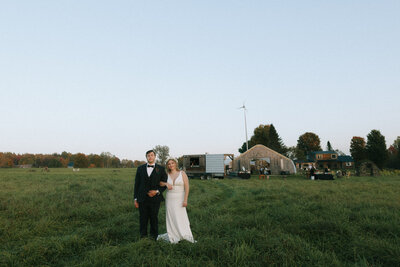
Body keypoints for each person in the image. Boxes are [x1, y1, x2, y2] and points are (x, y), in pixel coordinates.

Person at [157, 158, 195, 243]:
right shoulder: (167, 174)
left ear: (175, 164)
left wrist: (185, 200)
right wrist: (166, 184)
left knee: (181, 216)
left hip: (180, 198)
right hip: (170, 198)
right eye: (169, 164)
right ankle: (173, 234)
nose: (171, 165)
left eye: (172, 163)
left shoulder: (182, 173)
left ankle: (183, 234)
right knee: (171, 216)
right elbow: (160, 183)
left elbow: (187, 187)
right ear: (167, 166)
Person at [134, 150, 168, 240]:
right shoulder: (140, 168)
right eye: (148, 155)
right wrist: (135, 199)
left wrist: (157, 191)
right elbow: (136, 184)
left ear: (155, 156)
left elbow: (165, 184)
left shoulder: (160, 169)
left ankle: (154, 237)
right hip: (142, 198)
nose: (150, 157)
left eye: (152, 155)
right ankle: (143, 237)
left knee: (154, 218)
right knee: (143, 218)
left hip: (155, 199)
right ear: (146, 157)